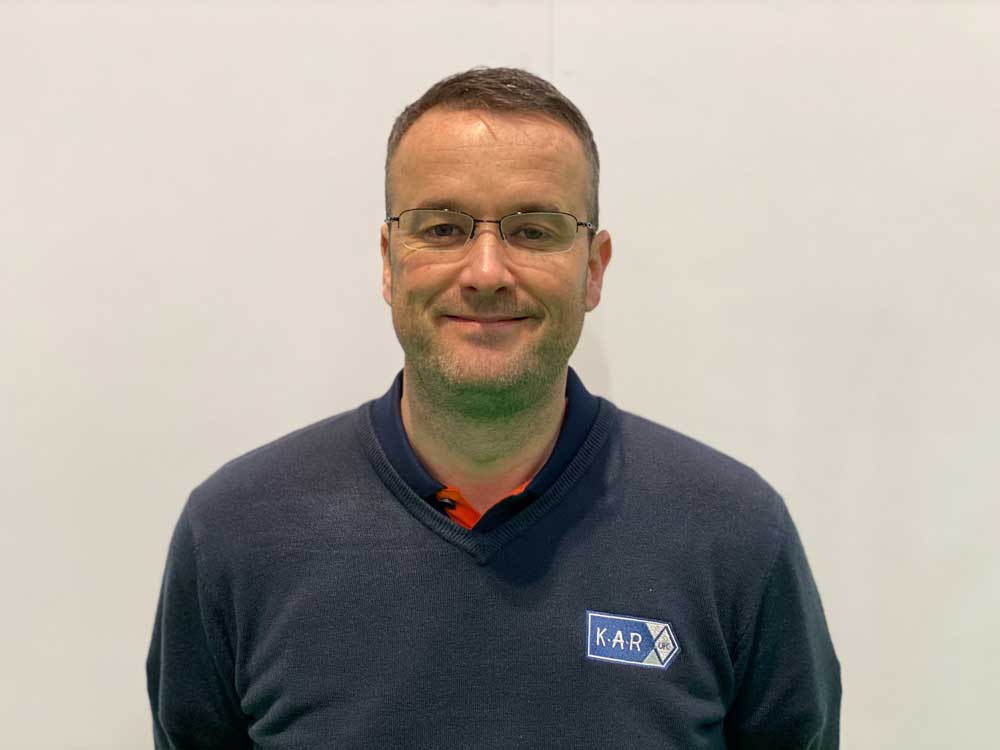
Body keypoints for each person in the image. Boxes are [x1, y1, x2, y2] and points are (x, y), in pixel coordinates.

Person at [147, 66, 841, 749]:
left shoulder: (734, 535)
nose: (485, 272)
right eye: (443, 229)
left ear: (593, 268)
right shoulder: (237, 533)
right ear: (388, 260)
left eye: (534, 231)